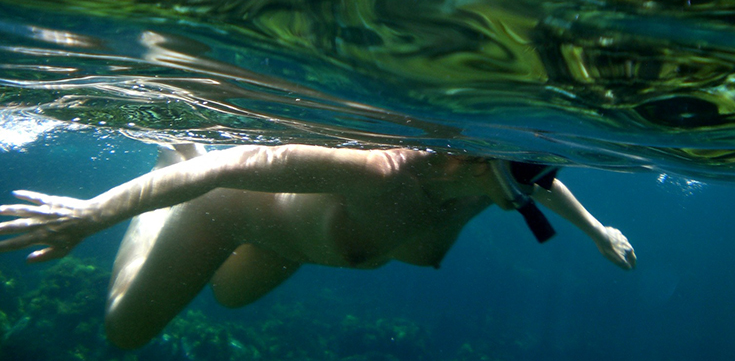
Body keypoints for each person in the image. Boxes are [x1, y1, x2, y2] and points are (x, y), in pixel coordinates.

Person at [0, 143, 636, 349]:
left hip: (292, 243)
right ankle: (170, 170)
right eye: (527, 172)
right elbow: (231, 165)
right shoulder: (384, 173)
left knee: (231, 296)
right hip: (223, 208)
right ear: (478, 158)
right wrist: (91, 216)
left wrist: (599, 232)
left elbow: (546, 187)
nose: (536, 186)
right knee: (124, 332)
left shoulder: (498, 186)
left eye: (542, 170)